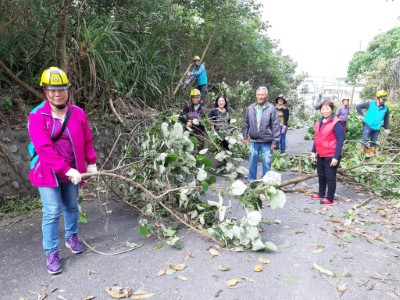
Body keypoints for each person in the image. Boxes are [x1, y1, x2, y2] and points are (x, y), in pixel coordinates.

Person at [28, 67, 97, 274]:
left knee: (72, 206)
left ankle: (72, 237)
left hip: (72, 170)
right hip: (47, 171)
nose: (57, 93)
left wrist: (91, 162)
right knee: (52, 212)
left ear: (68, 89)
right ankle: (51, 252)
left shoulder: (78, 113)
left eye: (61, 89)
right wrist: (66, 169)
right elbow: (44, 149)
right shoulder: (37, 116)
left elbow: (86, 140)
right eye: (52, 89)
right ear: (45, 91)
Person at [242, 86, 280, 182]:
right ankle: (251, 181)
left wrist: (275, 142)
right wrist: (245, 136)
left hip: (267, 141)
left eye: (262, 95)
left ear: (266, 96)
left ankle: (266, 183)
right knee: (252, 162)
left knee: (267, 163)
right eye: (258, 95)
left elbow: (276, 126)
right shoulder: (250, 108)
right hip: (254, 140)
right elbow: (245, 124)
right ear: (256, 95)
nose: (260, 97)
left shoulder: (271, 109)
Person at [311, 101, 345, 205]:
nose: (325, 111)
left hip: (331, 154)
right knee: (321, 174)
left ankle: (329, 198)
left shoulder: (336, 122)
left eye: (327, 109)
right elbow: (317, 137)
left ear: (332, 109)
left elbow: (340, 141)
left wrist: (336, 157)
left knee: (330, 176)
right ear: (320, 110)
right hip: (321, 153)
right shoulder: (319, 121)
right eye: (323, 109)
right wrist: (313, 151)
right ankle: (321, 194)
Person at [356, 90, 390, 155]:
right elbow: (358, 106)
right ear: (378, 98)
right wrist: (361, 115)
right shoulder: (370, 104)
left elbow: (386, 118)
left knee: (373, 142)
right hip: (367, 125)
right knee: (365, 140)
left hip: (377, 127)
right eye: (383, 99)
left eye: (385, 99)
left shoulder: (386, 108)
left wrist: (386, 128)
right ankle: (361, 155)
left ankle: (371, 155)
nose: (384, 100)